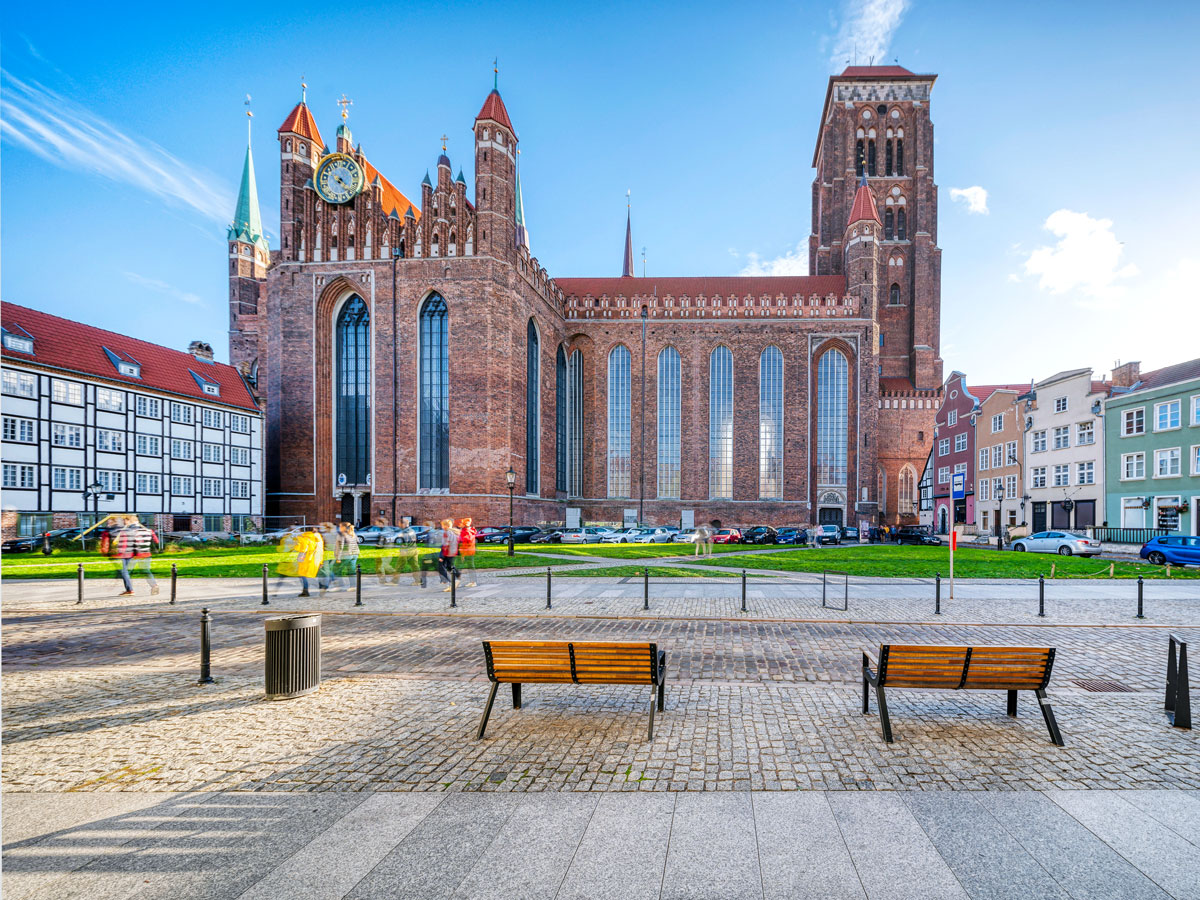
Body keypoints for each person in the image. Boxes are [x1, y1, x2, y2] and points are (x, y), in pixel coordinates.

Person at [115, 517, 160, 596]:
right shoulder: (149, 531)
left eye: (125, 521)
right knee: (146, 571)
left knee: (126, 572)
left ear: (129, 521)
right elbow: (156, 541)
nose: (124, 523)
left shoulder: (128, 531)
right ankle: (154, 585)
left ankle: (129, 590)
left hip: (134, 554)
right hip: (146, 554)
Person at [291, 527, 323, 597]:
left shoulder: (303, 538)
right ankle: (321, 585)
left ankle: (305, 591)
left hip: (305, 559)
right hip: (315, 559)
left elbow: (302, 549)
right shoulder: (318, 538)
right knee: (311, 574)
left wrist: (296, 543)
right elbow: (320, 550)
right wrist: (321, 561)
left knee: (303, 575)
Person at [437, 518, 461, 591]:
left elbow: (445, 545)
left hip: (447, 553)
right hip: (453, 552)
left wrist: (441, 556)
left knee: (441, 566)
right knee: (449, 566)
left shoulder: (446, 533)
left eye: (442, 525)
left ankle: (450, 582)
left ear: (446, 526)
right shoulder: (454, 532)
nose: (442, 527)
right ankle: (456, 576)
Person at [317, 522, 341, 593]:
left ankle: (328, 586)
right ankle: (333, 585)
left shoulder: (324, 536)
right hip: (333, 555)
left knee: (326, 571)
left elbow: (321, 546)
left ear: (326, 528)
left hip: (326, 555)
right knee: (329, 570)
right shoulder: (335, 535)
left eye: (322, 527)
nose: (320, 528)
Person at [419, 520, 442, 588]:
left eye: (424, 527)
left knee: (424, 569)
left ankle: (423, 583)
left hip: (430, 554)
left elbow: (430, 545)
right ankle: (445, 579)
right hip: (435, 554)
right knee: (437, 568)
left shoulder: (430, 534)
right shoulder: (436, 532)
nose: (423, 528)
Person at [458, 517, 478, 587]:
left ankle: (472, 582)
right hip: (469, 550)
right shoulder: (469, 530)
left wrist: (463, 553)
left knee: (461, 566)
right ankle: (472, 581)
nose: (460, 525)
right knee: (470, 566)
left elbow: (466, 541)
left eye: (461, 523)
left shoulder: (466, 531)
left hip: (467, 551)